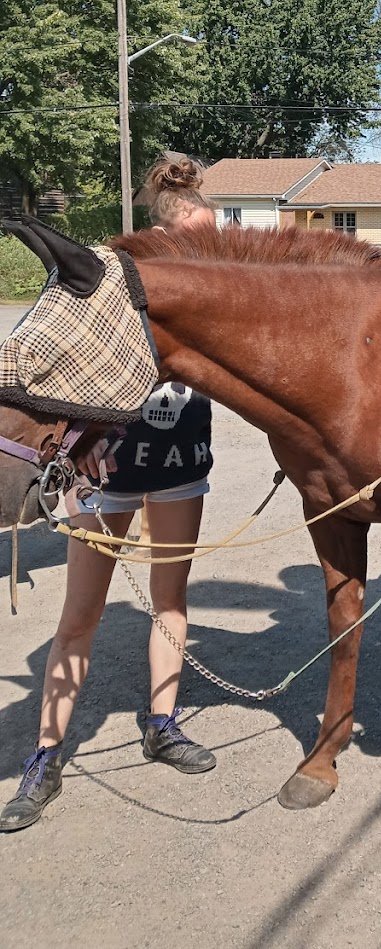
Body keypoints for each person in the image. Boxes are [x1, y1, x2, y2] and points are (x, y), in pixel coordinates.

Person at [1, 154, 218, 834]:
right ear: (170, 231)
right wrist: (78, 440)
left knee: (170, 597)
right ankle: (46, 754)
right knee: (80, 616)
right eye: (202, 233)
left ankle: (162, 722)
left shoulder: (207, 297)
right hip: (106, 468)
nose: (213, 245)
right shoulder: (119, 292)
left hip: (182, 455)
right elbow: (76, 368)